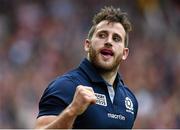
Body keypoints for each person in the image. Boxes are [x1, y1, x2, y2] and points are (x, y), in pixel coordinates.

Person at [35, 6, 138, 129]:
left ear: (125, 53)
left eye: (116, 38)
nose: (109, 42)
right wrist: (72, 111)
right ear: (87, 45)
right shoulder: (65, 86)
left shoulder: (130, 100)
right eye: (102, 35)